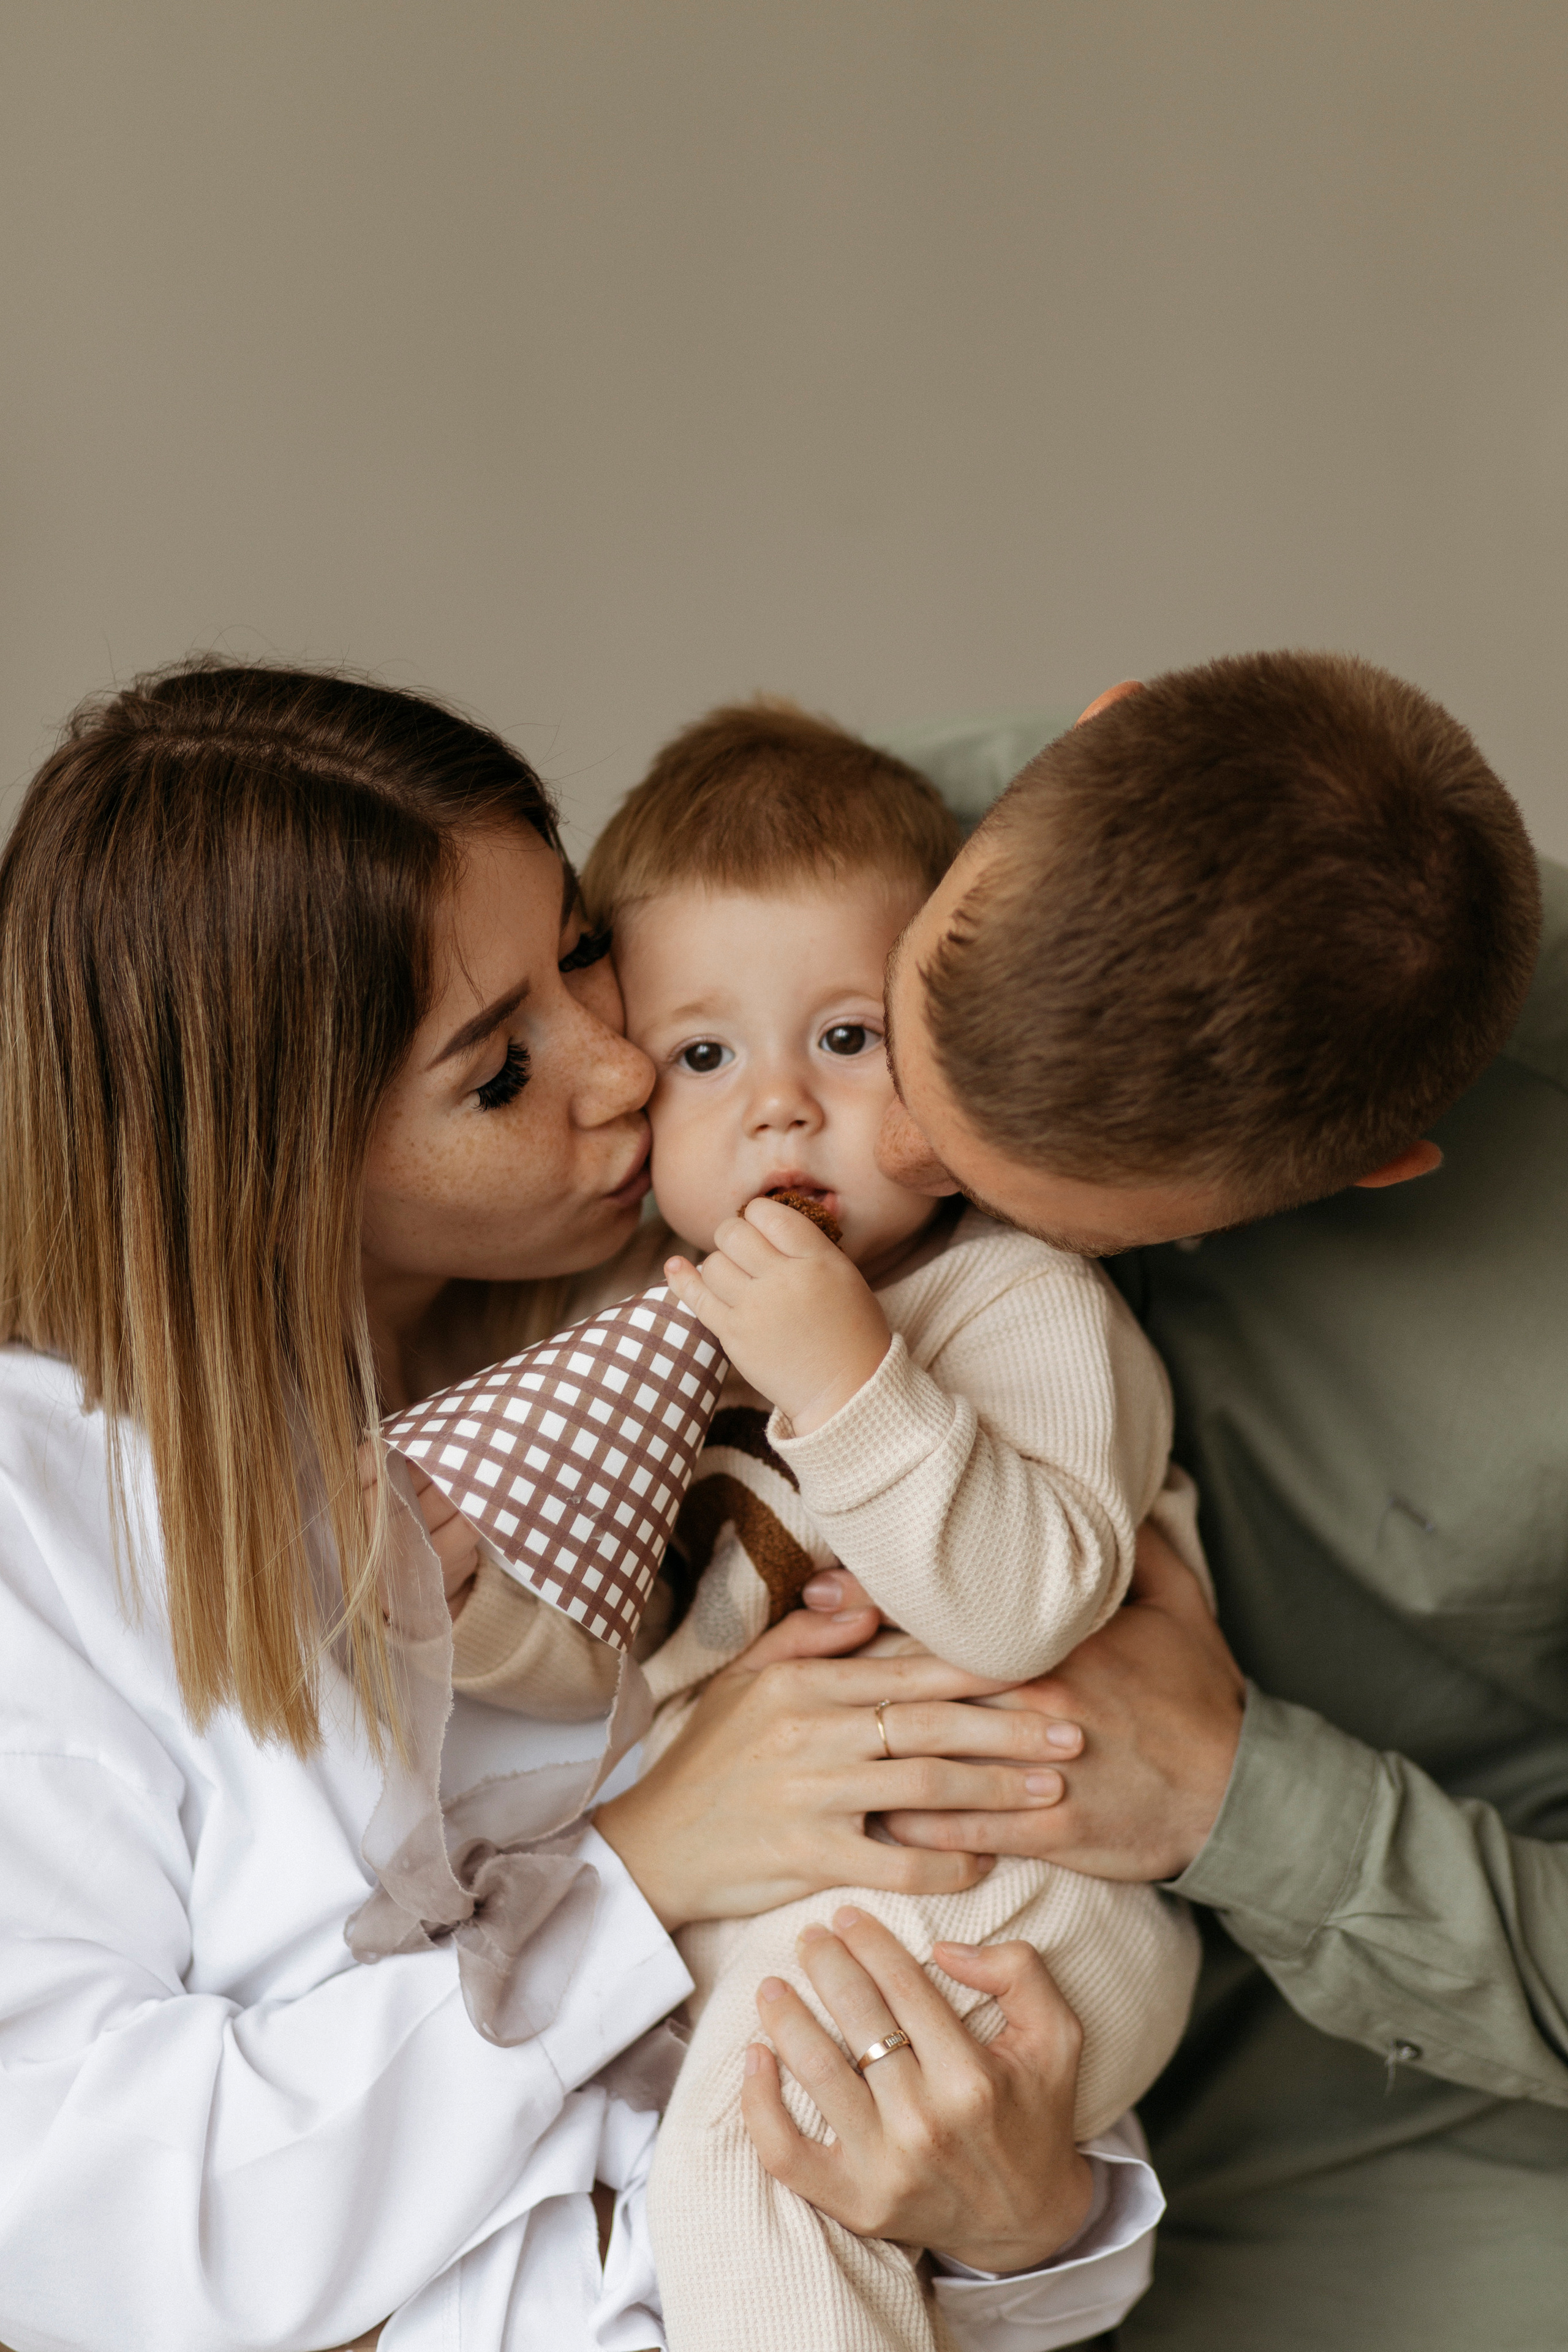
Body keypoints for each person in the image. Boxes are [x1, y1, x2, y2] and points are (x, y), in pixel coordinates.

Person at [0, 660, 1163, 2352]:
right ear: (270, 1150)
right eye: (500, 1069)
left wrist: (1028, 2223)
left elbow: (952, 1951)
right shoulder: (50, 1517)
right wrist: (642, 1868)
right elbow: (69, 2226)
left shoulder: (756, 1329)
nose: (623, 1072)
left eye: (585, 960)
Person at [843, 654, 1564, 2350]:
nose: (881, 1168)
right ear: (1104, 720)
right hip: (823, 1895)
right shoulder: (871, 828)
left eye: (1042, 1217)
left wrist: (1242, 1806)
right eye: (894, 1032)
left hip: (1389, 2113)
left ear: (1380, 1173)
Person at [578, 701, 1202, 2351]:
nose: (781, 1110)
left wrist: (848, 1379)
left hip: (1015, 1893)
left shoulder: (1017, 1301)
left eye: (846, 1040)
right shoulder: (630, 1334)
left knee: (752, 2151)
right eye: (705, 1056)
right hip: (803, 1900)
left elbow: (1027, 1609)